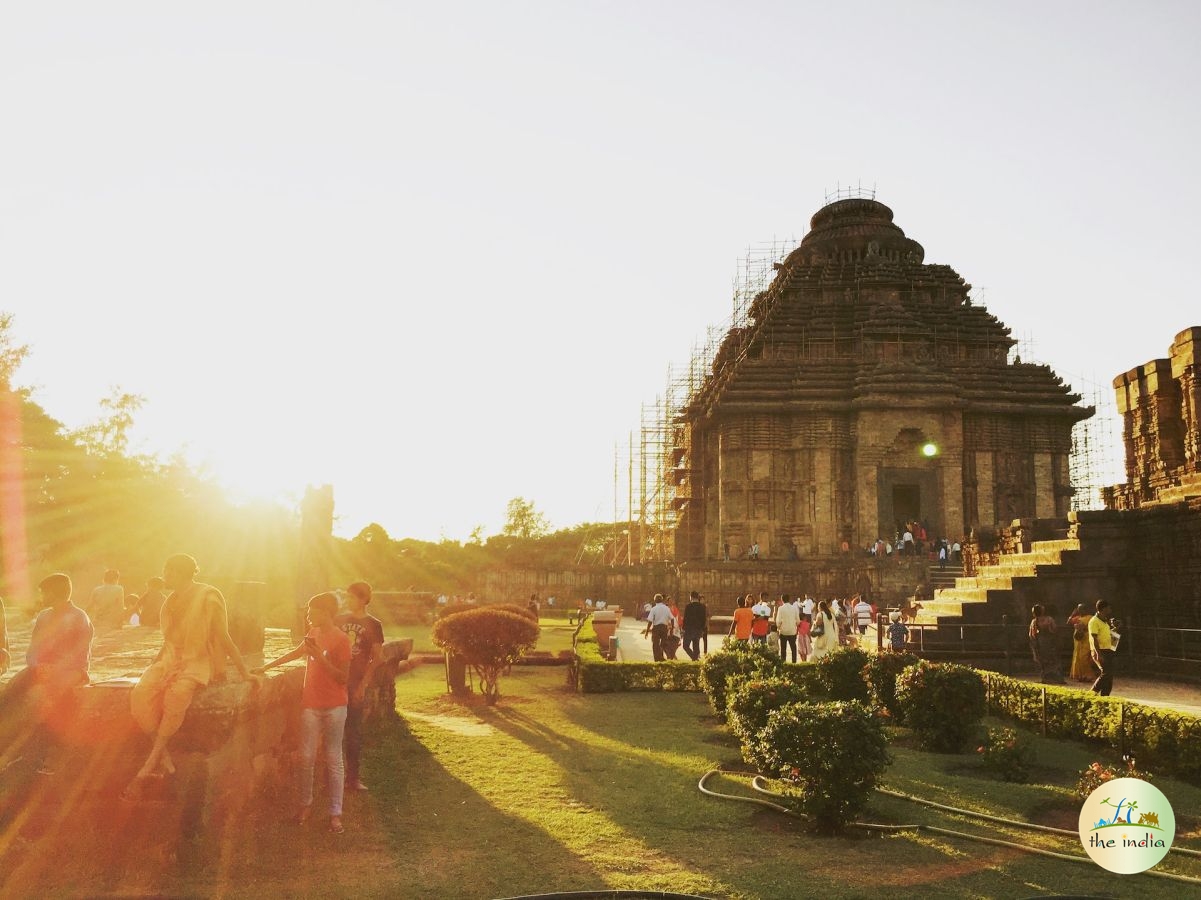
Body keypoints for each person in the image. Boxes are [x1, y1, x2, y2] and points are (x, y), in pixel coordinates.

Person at [126, 554, 259, 797]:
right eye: (166, 571)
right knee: (140, 694)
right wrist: (155, 665)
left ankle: (149, 764)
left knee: (176, 696)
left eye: (170, 572)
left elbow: (223, 636)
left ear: (184, 573)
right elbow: (169, 641)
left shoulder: (207, 596)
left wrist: (244, 671)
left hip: (197, 661)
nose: (166, 576)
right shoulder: (170, 602)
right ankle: (163, 755)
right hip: (169, 660)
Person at [256, 592, 351, 833]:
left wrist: (320, 658)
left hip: (335, 706)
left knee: (333, 758)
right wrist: (265, 667)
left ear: (326, 613)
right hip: (311, 705)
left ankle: (335, 814)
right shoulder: (312, 634)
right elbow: (296, 653)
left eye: (311, 611)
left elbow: (343, 677)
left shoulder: (341, 640)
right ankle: (304, 806)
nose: (307, 615)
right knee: (306, 757)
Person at [0, 574, 93, 772]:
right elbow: (33, 649)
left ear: (54, 592)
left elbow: (80, 654)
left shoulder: (79, 617)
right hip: (42, 667)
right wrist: (37, 665)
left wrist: (55, 669)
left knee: (45, 700)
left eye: (44, 592)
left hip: (72, 670)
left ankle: (40, 755)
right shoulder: (44, 616)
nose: (42, 596)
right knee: (12, 688)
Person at [335, 581, 384, 793]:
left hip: (356, 682)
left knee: (353, 731)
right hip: (336, 681)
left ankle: (353, 778)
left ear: (364, 599)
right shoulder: (339, 620)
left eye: (352, 597)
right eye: (347, 597)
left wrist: (363, 685)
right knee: (334, 731)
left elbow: (377, 658)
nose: (348, 601)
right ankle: (334, 778)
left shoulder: (374, 624)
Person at [1028, 604, 1064, 684]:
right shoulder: (1049, 619)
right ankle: (1057, 678)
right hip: (1050, 641)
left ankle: (1045, 677)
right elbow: (1055, 629)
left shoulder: (1034, 621)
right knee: (1053, 659)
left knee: (1042, 660)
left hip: (1039, 642)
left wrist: (1034, 644)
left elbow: (1032, 634)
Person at [1088, 599, 1118, 697]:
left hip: (1108, 650)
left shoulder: (1104, 621)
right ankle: (1091, 693)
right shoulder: (1094, 621)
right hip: (1101, 651)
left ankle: (1104, 698)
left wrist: (1116, 629)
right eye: (1109, 608)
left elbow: (1111, 637)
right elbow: (1094, 638)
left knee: (1109, 677)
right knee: (1106, 673)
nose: (1110, 609)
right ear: (1103, 609)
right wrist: (1098, 653)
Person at [1067, 603, 1096, 682]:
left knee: (1084, 657)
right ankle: (1080, 676)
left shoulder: (1090, 617)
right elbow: (1068, 622)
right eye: (1079, 609)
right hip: (1078, 639)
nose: (1080, 611)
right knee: (1078, 657)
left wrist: (1080, 627)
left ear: (1086, 609)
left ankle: (1089, 676)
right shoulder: (1078, 617)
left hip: (1087, 638)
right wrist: (1072, 614)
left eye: (1082, 609)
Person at [642, 594, 673, 662]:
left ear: (655, 600)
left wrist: (647, 632)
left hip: (656, 628)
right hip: (664, 628)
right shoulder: (666, 608)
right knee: (662, 644)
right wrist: (672, 630)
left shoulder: (654, 609)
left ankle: (657, 659)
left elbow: (650, 621)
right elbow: (672, 619)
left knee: (655, 644)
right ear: (662, 600)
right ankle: (662, 658)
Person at [681, 591, 708, 661]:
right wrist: (702, 629)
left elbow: (685, 618)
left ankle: (694, 658)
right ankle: (695, 660)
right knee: (695, 646)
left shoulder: (688, 606)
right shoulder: (702, 607)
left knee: (685, 646)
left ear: (691, 597)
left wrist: (683, 628)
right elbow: (704, 619)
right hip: (698, 629)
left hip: (689, 629)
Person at [775, 593, 800, 663]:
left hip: (783, 631)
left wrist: (779, 628)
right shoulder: (794, 608)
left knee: (783, 649)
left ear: (782, 600)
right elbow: (798, 621)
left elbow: (778, 621)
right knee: (793, 648)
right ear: (789, 599)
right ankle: (794, 662)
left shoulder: (780, 608)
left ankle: (783, 663)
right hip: (792, 631)